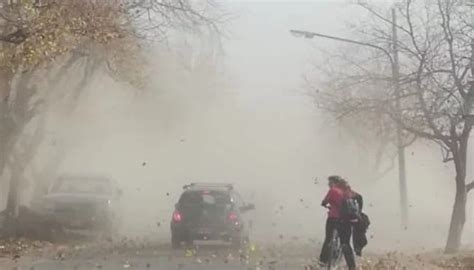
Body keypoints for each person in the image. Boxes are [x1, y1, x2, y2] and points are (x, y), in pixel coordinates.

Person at [319, 176, 356, 270]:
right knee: (345, 243)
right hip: (346, 220)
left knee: (328, 239)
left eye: (329, 182)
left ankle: (322, 262)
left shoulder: (333, 191)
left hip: (333, 219)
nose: (328, 184)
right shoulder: (348, 192)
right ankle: (352, 266)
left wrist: (324, 204)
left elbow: (324, 202)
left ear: (334, 182)